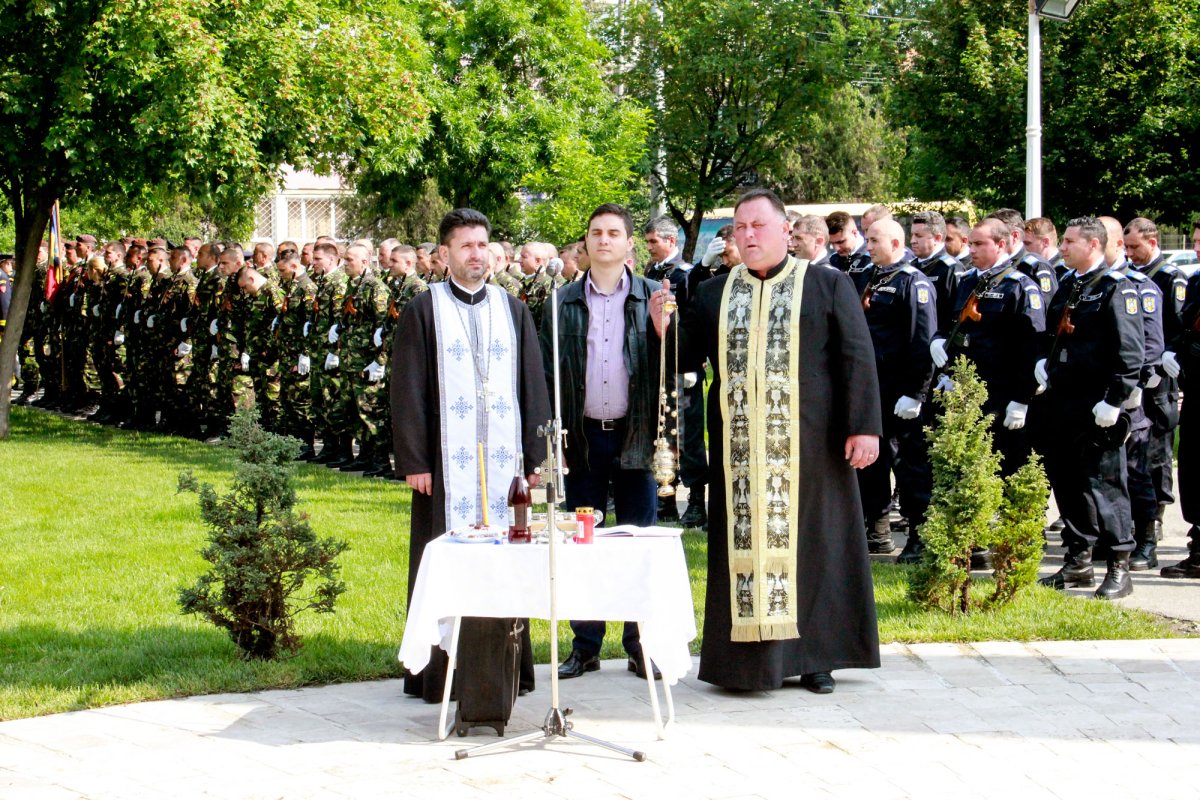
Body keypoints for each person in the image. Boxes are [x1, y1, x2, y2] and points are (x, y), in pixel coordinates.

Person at [651, 188, 882, 694]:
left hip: (813, 446)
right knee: (742, 551)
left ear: (785, 230)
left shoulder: (826, 283)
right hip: (739, 452)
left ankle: (816, 658)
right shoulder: (714, 292)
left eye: (758, 225)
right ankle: (745, 665)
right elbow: (686, 359)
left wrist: (865, 427)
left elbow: (857, 357)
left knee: (814, 547)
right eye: (740, 227)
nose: (748, 235)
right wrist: (664, 327)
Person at [392, 208, 551, 702]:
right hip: (444, 467)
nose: (476, 254)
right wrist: (415, 460)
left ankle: (507, 669)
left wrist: (537, 458)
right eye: (465, 246)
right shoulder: (424, 309)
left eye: (482, 245)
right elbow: (407, 389)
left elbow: (533, 385)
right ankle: (439, 675)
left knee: (508, 558)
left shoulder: (513, 309)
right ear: (445, 254)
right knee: (442, 561)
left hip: (505, 466)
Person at [544, 203, 665, 681]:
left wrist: (665, 329)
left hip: (637, 435)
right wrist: (552, 439)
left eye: (614, 233)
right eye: (596, 232)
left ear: (629, 243)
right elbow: (548, 372)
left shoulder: (654, 296)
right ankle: (586, 646)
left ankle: (640, 645)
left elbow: (675, 364)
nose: (604, 240)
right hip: (583, 438)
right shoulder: (562, 302)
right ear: (586, 242)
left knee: (637, 542)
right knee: (582, 544)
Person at [1036, 217, 1143, 599]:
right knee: (1068, 481)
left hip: (1097, 403)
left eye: (1069, 242)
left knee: (1105, 484)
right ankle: (1078, 560)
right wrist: (1043, 361)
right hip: (1062, 400)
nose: (1062, 247)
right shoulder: (1070, 283)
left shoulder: (1117, 287)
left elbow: (1130, 352)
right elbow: (1053, 332)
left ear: (1093, 245)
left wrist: (1115, 400)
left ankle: (1119, 566)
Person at [930, 218, 1046, 476]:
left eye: (979, 244)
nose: (971, 250)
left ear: (1001, 245)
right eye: (970, 244)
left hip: (1001, 394)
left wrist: (1022, 398)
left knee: (1002, 470)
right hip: (966, 390)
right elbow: (952, 323)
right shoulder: (968, 280)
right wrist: (939, 340)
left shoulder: (1019, 286)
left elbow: (1032, 346)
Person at [854, 219, 937, 563]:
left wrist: (917, 392)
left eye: (875, 240)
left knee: (909, 464)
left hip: (900, 390)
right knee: (870, 461)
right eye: (868, 239)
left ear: (895, 242)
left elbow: (923, 340)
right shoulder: (871, 277)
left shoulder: (913, 282)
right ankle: (877, 530)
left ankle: (920, 535)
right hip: (872, 388)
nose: (869, 246)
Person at [1124, 217, 1187, 545]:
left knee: (1158, 447)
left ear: (1152, 241)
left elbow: (1176, 325)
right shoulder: (1127, 276)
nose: (1129, 253)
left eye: (1135, 246)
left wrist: (1163, 365)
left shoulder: (1169, 277)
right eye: (1126, 246)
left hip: (1160, 376)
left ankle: (1158, 513)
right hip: (1136, 374)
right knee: (1135, 444)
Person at [1160, 218, 1200, 579]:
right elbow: (1182, 326)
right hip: (1196, 383)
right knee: (1192, 467)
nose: (1198, 248)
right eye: (1197, 242)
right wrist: (1173, 351)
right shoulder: (1197, 281)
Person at [910, 210, 966, 331]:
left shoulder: (951, 268)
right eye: (912, 235)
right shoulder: (910, 266)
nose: (912, 240)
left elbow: (956, 314)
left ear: (937, 238)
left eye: (918, 236)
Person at [826, 210, 872, 275]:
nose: (836, 248)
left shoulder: (872, 258)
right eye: (832, 243)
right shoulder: (832, 259)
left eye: (840, 242)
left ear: (854, 233)